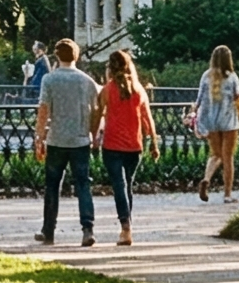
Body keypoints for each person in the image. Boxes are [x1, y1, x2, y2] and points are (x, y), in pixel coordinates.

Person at [33, 38, 100, 246]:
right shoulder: (87, 81)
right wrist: (93, 131)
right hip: (80, 140)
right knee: (83, 185)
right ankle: (87, 229)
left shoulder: (49, 80)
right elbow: (97, 110)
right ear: (76, 56)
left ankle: (48, 230)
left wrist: (39, 137)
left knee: (52, 185)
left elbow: (44, 110)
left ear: (56, 56)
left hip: (57, 139)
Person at [91, 49, 159, 246]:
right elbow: (148, 119)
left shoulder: (107, 90)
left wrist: (93, 136)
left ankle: (126, 228)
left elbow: (97, 115)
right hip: (134, 147)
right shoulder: (139, 90)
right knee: (126, 185)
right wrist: (154, 144)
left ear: (110, 69)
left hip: (112, 145)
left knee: (119, 186)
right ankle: (127, 225)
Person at [193, 44, 239, 202]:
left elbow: (199, 99)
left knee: (216, 155)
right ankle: (227, 194)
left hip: (211, 121)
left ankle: (206, 179)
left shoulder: (206, 76)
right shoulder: (231, 77)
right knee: (228, 158)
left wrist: (194, 115)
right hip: (229, 122)